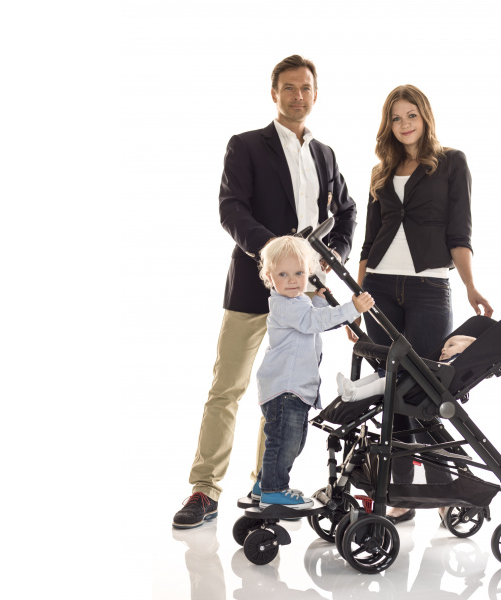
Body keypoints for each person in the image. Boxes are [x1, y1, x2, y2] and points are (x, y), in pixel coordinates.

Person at [172, 55, 357, 528]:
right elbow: (231, 209)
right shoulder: (246, 146)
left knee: (285, 391)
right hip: (254, 291)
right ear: (274, 93)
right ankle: (204, 490)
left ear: (316, 94)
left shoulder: (325, 154)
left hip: (305, 296)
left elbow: (347, 210)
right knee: (226, 389)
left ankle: (264, 485)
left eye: (306, 88)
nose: (298, 96)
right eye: (289, 88)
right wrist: (275, 255)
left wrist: (329, 257)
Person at [353, 84, 493, 524]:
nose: (404, 124)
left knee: (424, 394)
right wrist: (356, 301)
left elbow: (459, 233)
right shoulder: (380, 172)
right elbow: (368, 242)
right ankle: (400, 494)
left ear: (425, 117)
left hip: (429, 288)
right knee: (390, 392)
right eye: (395, 118)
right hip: (379, 287)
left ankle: (444, 490)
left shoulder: (451, 162)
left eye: (411, 115)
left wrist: (470, 286)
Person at [255, 236, 374, 508]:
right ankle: (274, 489)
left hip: (293, 388)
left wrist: (318, 301)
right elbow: (313, 322)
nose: (292, 280)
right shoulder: (284, 305)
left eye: (299, 273)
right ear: (269, 277)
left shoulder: (297, 302)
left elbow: (311, 318)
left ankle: (264, 484)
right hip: (285, 388)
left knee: (290, 443)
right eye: (283, 275)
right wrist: (352, 309)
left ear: (308, 272)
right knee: (284, 443)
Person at [336, 335, 476, 402]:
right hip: (407, 379)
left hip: (414, 388)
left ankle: (354, 395)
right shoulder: (443, 364)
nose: (443, 349)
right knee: (377, 376)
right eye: (444, 347)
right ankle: (348, 388)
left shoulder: (452, 366)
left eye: (451, 346)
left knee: (383, 382)